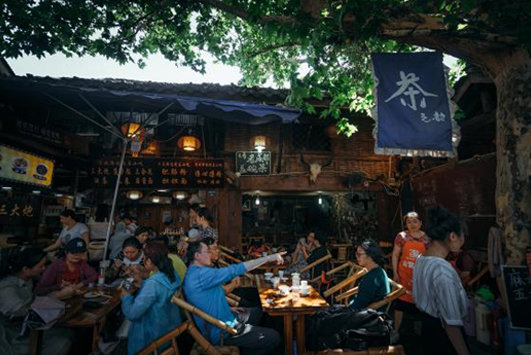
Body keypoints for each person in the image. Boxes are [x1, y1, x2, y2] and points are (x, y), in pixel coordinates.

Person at [184, 241, 282, 355]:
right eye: (207, 251)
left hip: (226, 318)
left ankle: (251, 341)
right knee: (274, 337)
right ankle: (249, 347)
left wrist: (226, 308)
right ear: (197, 256)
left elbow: (207, 299)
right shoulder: (200, 275)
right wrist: (268, 258)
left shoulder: (194, 273)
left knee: (258, 312)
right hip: (222, 331)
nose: (210, 254)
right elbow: (236, 269)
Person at [413, 206, 470, 355]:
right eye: (462, 235)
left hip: (428, 332)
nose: (463, 240)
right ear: (452, 236)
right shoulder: (442, 270)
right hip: (443, 338)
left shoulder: (421, 259)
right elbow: (451, 324)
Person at [0, 247, 73, 355]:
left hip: (26, 327)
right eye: (40, 266)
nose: (44, 268)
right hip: (12, 336)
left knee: (68, 332)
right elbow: (26, 313)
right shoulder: (6, 289)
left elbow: (33, 297)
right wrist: (54, 298)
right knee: (61, 340)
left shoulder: (27, 279)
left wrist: (57, 288)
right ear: (26, 269)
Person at [121, 241, 182, 355]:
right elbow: (160, 292)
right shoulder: (171, 274)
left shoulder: (153, 284)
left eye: (144, 257)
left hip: (149, 338)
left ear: (149, 260)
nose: (143, 260)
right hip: (168, 330)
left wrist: (126, 296)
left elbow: (132, 314)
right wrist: (143, 283)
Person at [391, 211, 430, 330]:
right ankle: (396, 331)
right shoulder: (401, 236)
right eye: (409, 222)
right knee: (400, 303)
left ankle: (419, 330)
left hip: (420, 276)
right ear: (405, 224)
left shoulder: (427, 238)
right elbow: (395, 255)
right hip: (404, 275)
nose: (412, 224)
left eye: (415, 221)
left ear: (420, 223)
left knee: (421, 302)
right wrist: (395, 273)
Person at [350, 239, 391, 312]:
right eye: (356, 254)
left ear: (370, 255)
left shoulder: (372, 277)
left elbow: (358, 305)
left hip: (367, 317)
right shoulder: (378, 271)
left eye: (359, 254)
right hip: (367, 314)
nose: (357, 257)